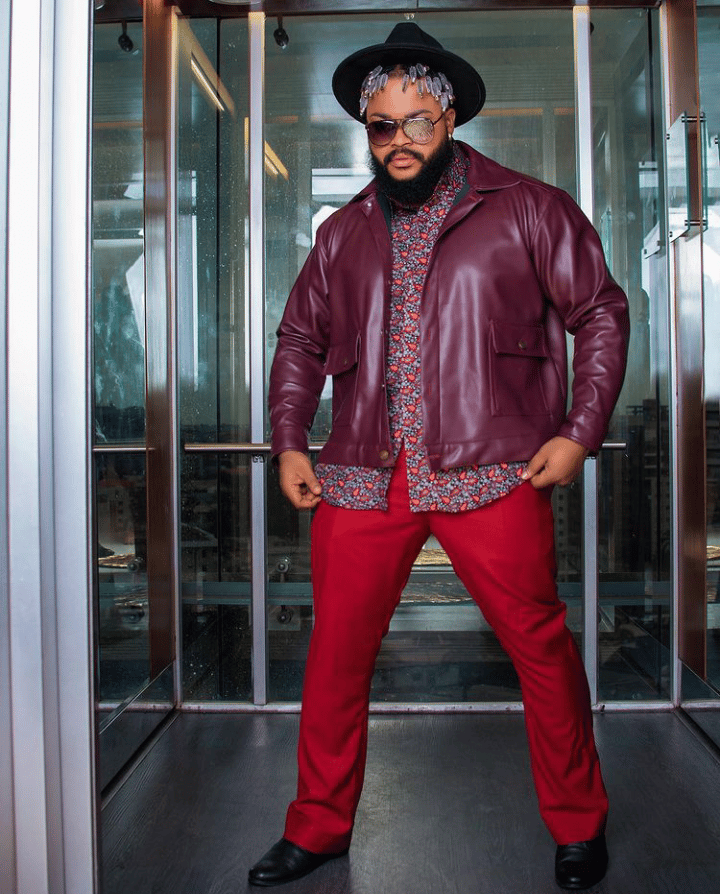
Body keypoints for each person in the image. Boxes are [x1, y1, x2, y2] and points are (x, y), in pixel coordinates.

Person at [250, 22, 629, 891]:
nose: (400, 140)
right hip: (362, 473)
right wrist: (289, 440)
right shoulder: (342, 232)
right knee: (335, 658)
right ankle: (317, 828)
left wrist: (580, 430)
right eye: (382, 125)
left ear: (449, 117)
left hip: (493, 469)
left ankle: (579, 824)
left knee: (541, 650)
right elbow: (299, 339)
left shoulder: (530, 206)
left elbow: (600, 311)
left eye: (417, 121)